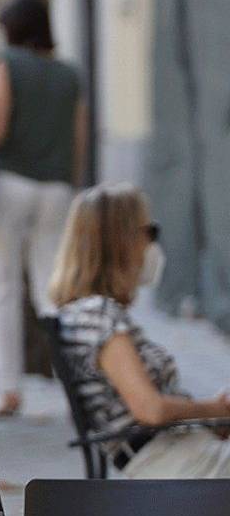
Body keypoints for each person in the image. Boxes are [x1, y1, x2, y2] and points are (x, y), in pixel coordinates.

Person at [51, 185, 230, 478]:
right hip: (174, 461)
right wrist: (214, 409)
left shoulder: (86, 314)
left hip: (180, 453)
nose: (153, 244)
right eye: (150, 232)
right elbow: (150, 410)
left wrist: (211, 418)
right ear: (121, 242)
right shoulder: (98, 315)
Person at [0, 0, 87, 416]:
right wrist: (69, 185)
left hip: (11, 184)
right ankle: (77, 388)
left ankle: (8, 390)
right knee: (52, 290)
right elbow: (79, 140)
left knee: (2, 287)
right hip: (57, 188)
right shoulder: (71, 75)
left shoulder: (8, 62)